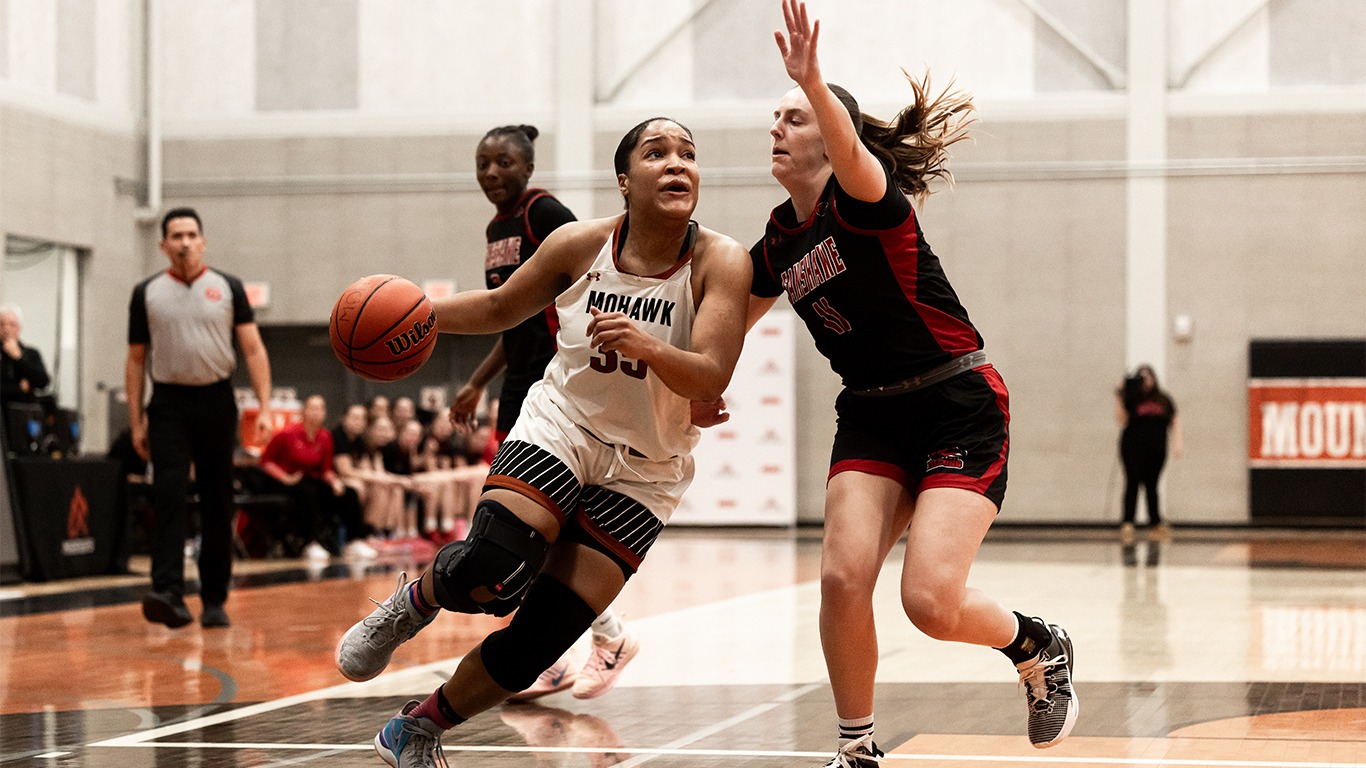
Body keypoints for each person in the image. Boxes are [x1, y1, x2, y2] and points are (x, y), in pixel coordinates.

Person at [334, 117, 752, 767]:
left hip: (648, 467)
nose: (677, 164)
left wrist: (646, 345)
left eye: (688, 154)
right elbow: (503, 310)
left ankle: (415, 727)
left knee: (542, 637)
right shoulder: (577, 244)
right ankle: (409, 605)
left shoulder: (723, 260)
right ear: (624, 181)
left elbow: (713, 372)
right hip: (564, 424)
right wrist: (417, 316)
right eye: (657, 153)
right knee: (493, 572)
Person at [739, 2, 1078, 760]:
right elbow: (738, 310)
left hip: (955, 402)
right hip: (871, 415)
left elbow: (852, 153)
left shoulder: (866, 200)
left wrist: (813, 83)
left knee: (928, 602)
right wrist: (705, 381)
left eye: (793, 118)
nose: (777, 127)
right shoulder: (779, 237)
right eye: (777, 115)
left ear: (832, 138)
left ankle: (1038, 646)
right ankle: (857, 751)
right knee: (839, 579)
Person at [451, 124, 643, 702]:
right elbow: (510, 313)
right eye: (483, 162)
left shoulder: (544, 214)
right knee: (527, 529)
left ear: (528, 168)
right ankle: (561, 652)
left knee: (532, 529)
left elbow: (592, 276)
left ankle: (599, 640)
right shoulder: (496, 230)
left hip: (555, 386)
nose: (491, 173)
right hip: (517, 382)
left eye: (504, 162)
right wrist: (477, 382)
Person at [125, 207, 274, 629]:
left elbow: (254, 350)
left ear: (203, 241)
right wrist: (137, 421)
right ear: (163, 245)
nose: (184, 242)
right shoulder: (146, 292)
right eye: (176, 235)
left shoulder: (227, 287)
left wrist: (263, 408)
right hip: (168, 403)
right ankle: (167, 593)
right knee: (168, 492)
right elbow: (136, 361)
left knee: (216, 499)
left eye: (191, 234)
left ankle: (213, 599)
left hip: (216, 400)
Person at [258, 394, 365, 560]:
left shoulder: (325, 436)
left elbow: (326, 469)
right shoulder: (287, 434)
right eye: (312, 408)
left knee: (349, 493)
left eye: (321, 408)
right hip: (285, 481)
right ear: (304, 411)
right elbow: (266, 461)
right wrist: (285, 477)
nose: (317, 412)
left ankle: (354, 542)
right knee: (308, 493)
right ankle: (310, 543)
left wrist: (335, 482)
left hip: (312, 479)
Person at [1116, 364, 1182, 543]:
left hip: (1156, 450)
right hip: (1132, 448)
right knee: (1132, 483)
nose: (1145, 381)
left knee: (1152, 485)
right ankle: (1128, 522)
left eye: (1148, 376)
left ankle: (1155, 522)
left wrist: (1177, 443)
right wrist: (1120, 394)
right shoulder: (1132, 399)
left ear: (1154, 378)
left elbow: (1174, 420)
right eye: (1141, 377)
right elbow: (1121, 420)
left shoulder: (1163, 399)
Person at [0, 304, 51, 408]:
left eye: (12, 324)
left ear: (19, 327)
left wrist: (18, 358)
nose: (6, 329)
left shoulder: (31, 353)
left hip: (24, 412)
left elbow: (42, 382)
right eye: (2, 324)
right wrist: (18, 388)